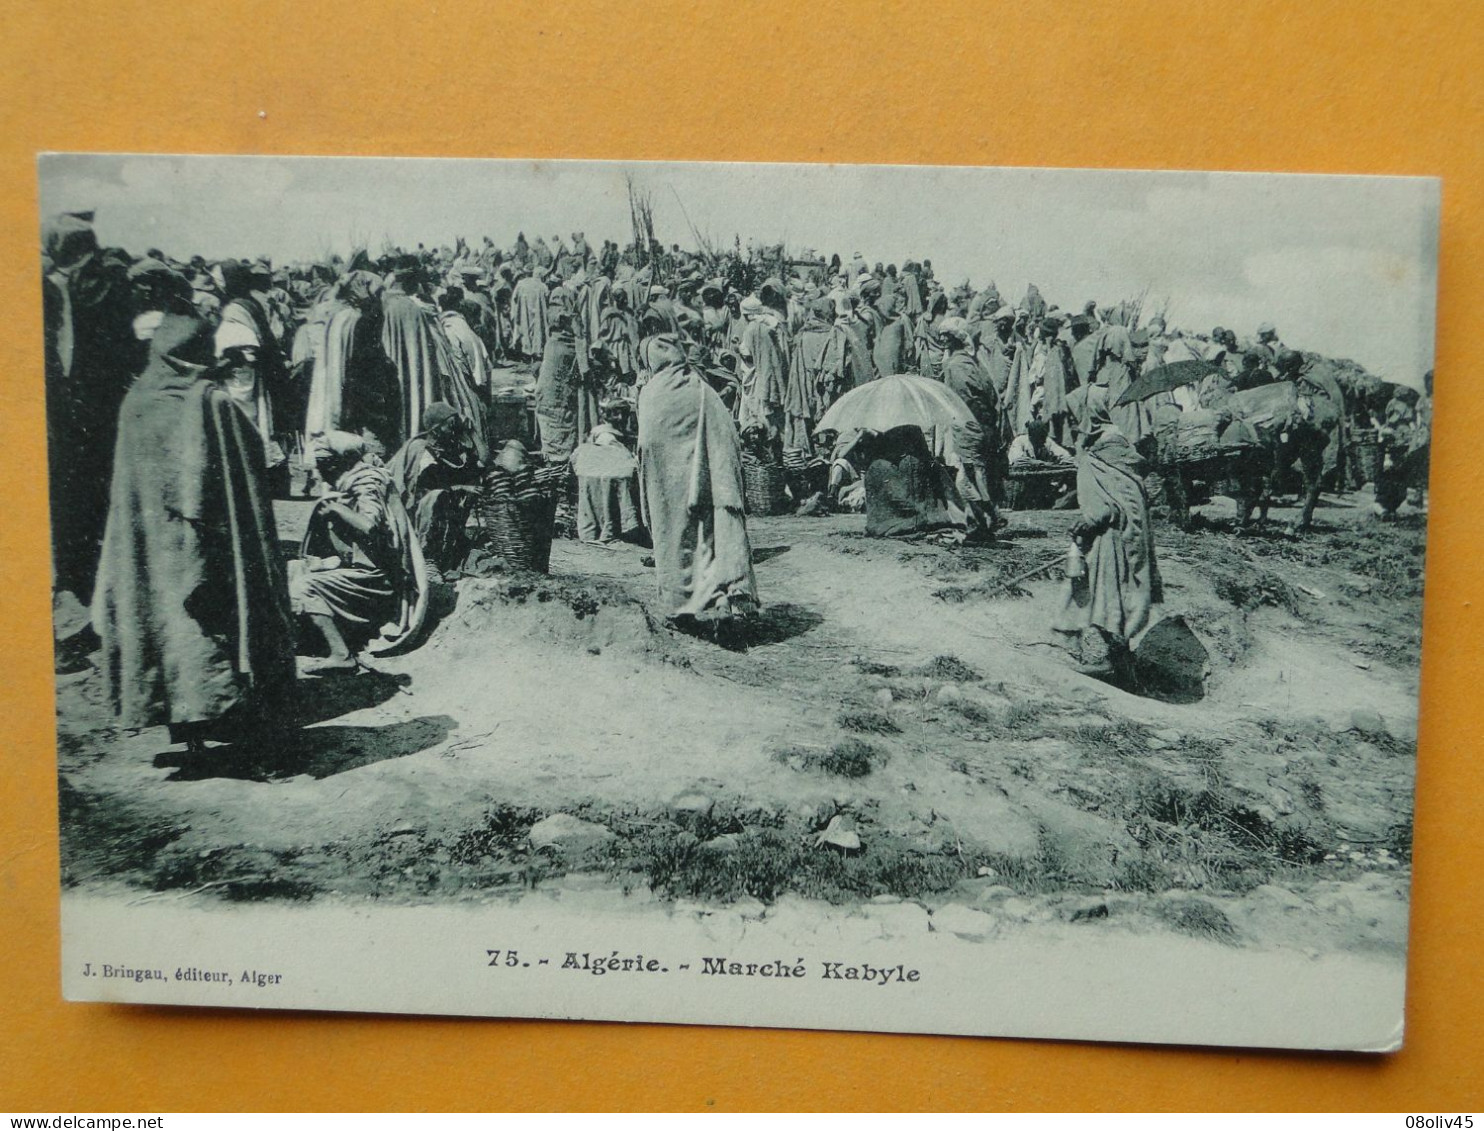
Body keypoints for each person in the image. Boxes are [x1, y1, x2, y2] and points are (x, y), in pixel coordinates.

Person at [91, 312, 296, 753]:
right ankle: (232, 730)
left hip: (148, 552)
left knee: (164, 626)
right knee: (207, 630)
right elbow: (246, 469)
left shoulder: (135, 401)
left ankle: (190, 739)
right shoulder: (210, 403)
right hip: (203, 545)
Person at [43, 213, 138, 607]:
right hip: (102, 410)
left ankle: (74, 582)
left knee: (71, 502)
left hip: (67, 413)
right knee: (96, 498)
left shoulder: (55, 287)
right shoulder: (108, 282)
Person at [636, 332, 759, 628]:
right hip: (711, 481)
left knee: (677, 542)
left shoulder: (653, 392)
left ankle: (682, 608)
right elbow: (727, 436)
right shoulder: (702, 389)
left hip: (668, 488)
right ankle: (721, 602)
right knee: (710, 540)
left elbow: (646, 445)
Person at [291, 431, 428, 672]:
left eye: (320, 465)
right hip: (362, 570)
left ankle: (341, 655)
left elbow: (369, 526)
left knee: (304, 587)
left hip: (377, 580)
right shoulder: (351, 484)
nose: (319, 472)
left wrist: (337, 509)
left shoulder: (367, 483)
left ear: (333, 463)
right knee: (292, 570)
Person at [1053, 386, 1163, 679]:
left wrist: (1093, 518)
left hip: (1111, 537)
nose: (1072, 419)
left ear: (1089, 412)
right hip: (1100, 534)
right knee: (1102, 599)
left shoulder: (1110, 446)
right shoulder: (1099, 444)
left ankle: (1116, 666)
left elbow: (1123, 501)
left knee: (1110, 598)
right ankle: (1121, 666)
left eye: (1076, 413)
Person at [387, 402, 483, 572]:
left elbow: (483, 461)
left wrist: (471, 432)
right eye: (450, 425)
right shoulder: (421, 449)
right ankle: (428, 559)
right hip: (416, 510)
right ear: (436, 429)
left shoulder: (451, 449)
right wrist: (460, 487)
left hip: (441, 511)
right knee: (438, 497)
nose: (454, 429)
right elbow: (424, 488)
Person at [534, 304, 599, 464]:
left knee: (551, 441)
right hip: (559, 404)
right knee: (561, 441)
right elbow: (585, 369)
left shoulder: (552, 343)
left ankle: (554, 468)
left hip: (546, 402)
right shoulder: (568, 347)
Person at [572, 422, 644, 545]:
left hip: (591, 486)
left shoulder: (583, 450)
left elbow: (574, 464)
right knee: (609, 506)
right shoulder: (621, 451)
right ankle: (610, 532)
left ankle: (592, 533)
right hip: (610, 486)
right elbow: (631, 470)